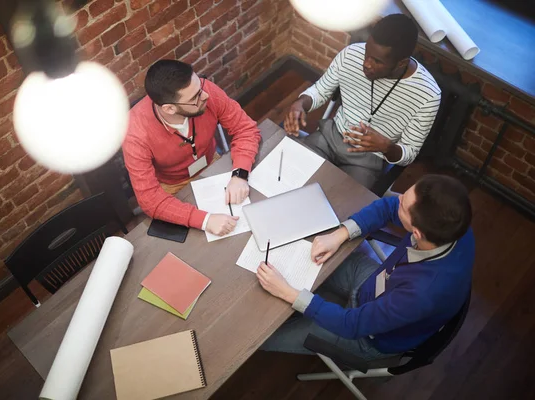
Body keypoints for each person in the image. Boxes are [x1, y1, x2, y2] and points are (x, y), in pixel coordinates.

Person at [256, 174, 474, 361]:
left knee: (261, 338)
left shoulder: (422, 294)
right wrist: (339, 235)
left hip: (369, 338)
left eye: (403, 204)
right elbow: (388, 207)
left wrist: (288, 293)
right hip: (375, 284)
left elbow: (352, 325)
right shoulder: (452, 227)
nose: (397, 199)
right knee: (304, 255)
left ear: (416, 233)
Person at [285, 14, 441, 189]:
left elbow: (409, 152)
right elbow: (320, 90)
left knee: (340, 207)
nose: (366, 63)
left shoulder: (427, 95)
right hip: (331, 137)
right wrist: (300, 104)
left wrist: (387, 147)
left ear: (400, 63)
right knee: (290, 177)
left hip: (369, 159)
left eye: (377, 61)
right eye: (367, 52)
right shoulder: (351, 55)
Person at [123, 60, 261, 236]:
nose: (205, 96)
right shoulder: (134, 133)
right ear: (169, 108)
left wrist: (240, 174)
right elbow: (150, 200)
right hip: (173, 186)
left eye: (200, 85)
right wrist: (205, 221)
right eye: (194, 98)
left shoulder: (204, 90)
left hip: (213, 163)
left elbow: (245, 129)